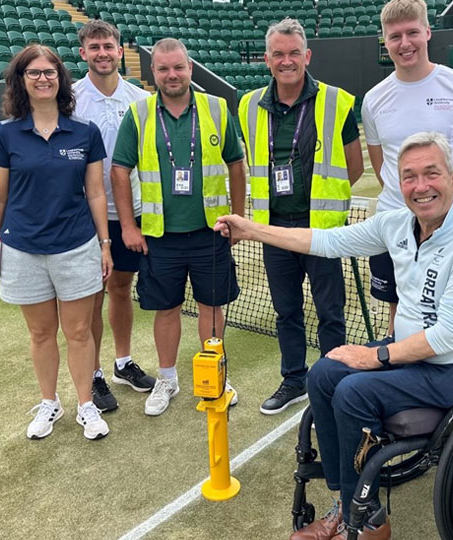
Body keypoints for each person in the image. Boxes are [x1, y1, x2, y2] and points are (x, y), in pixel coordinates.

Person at [215, 132, 453, 540]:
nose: (420, 186)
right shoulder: (396, 224)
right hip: (415, 357)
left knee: (355, 392)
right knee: (323, 372)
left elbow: (449, 336)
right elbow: (328, 241)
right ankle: (345, 501)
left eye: (431, 174)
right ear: (399, 184)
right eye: (409, 177)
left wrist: (377, 357)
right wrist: (252, 230)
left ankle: (366, 520)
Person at [111, 38, 246, 416]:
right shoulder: (138, 115)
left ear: (189, 68)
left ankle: (215, 376)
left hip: (211, 232)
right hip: (159, 236)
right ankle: (167, 379)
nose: (172, 75)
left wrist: (238, 216)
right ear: (153, 73)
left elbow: (236, 163)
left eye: (178, 67)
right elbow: (119, 170)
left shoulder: (217, 109)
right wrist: (127, 227)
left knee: (212, 307)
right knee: (166, 309)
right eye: (164, 68)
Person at [0, 45, 113, 440]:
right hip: (23, 248)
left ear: (61, 79)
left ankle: (86, 407)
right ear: (21, 81)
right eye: (34, 73)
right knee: (41, 334)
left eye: (50, 72)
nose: (43, 78)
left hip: (76, 246)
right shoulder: (5, 135)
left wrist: (105, 245)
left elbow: (95, 194)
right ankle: (49, 403)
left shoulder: (85, 133)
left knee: (79, 333)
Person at [238, 18, 364, 416]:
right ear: (267, 59)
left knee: (331, 312)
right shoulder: (248, 104)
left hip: (321, 231)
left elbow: (354, 167)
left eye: (294, 53)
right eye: (278, 54)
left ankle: (332, 379)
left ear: (307, 56)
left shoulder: (337, 101)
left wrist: (323, 202)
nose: (286, 60)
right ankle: (294, 379)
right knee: (286, 311)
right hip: (274, 230)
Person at [362, 0, 453, 337]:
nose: (404, 44)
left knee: (450, 317)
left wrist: (450, 207)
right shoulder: (374, 99)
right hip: (395, 225)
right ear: (384, 41)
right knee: (399, 315)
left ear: (428, 32)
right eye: (394, 37)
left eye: (412, 33)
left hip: (452, 227)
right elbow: (383, 166)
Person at [72, 20, 155, 413]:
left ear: (121, 51)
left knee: (121, 289)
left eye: (109, 46)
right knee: (88, 298)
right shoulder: (68, 99)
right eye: (94, 47)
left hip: (129, 214)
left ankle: (122, 364)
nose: (102, 53)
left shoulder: (141, 98)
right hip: (84, 217)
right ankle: (93, 374)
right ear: (83, 53)